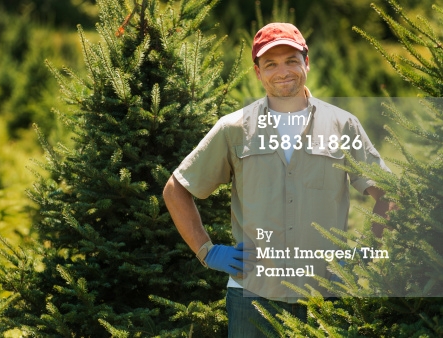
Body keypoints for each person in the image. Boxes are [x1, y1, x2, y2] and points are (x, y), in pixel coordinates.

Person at [163, 22, 395, 337]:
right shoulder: (233, 129)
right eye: (270, 64)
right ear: (258, 72)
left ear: (306, 63)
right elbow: (176, 190)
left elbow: (389, 193)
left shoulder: (343, 126)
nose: (282, 71)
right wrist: (207, 250)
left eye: (291, 60)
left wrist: (364, 256)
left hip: (325, 297)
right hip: (251, 297)